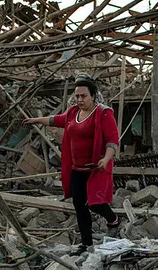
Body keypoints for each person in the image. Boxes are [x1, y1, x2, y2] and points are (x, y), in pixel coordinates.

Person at [23, 73, 120, 255]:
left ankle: (113, 220)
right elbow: (57, 119)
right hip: (77, 169)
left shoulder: (103, 113)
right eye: (77, 96)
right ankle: (86, 243)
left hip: (95, 168)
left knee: (95, 203)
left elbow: (112, 141)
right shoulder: (73, 113)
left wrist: (106, 159)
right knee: (80, 205)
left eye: (83, 96)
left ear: (93, 96)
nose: (79, 99)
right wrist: (37, 120)